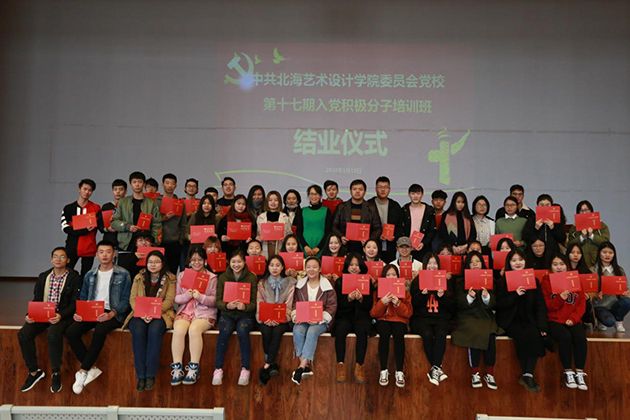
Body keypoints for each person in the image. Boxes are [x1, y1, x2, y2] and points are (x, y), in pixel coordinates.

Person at [65, 240, 131, 394]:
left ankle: (83, 371)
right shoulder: (90, 274)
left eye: (108, 252)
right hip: (91, 310)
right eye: (101, 252)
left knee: (100, 330)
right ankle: (91, 368)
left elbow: (126, 299)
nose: (105, 255)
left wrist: (112, 313)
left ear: (114, 254)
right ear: (96, 255)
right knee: (71, 331)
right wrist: (80, 313)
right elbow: (83, 297)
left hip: (113, 312)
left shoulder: (123, 273)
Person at [18, 247, 81, 393]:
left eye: (62, 257)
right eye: (55, 256)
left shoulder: (74, 277)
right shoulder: (43, 276)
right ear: (51, 259)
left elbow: (75, 303)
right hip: (43, 314)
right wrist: (29, 314)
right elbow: (37, 298)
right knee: (23, 334)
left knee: (53, 333)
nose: (58, 259)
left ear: (68, 260)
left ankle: (56, 373)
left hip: (62, 316)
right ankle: (34, 372)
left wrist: (61, 315)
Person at [495, 249, 548, 392]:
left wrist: (542, 325)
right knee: (523, 334)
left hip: (529, 319)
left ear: (525, 261)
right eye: (514, 260)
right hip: (510, 319)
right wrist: (515, 295)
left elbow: (540, 305)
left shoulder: (534, 281)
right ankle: (527, 375)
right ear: (509, 263)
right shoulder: (502, 282)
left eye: (520, 260)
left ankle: (527, 374)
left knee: (535, 334)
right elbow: (499, 305)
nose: (517, 263)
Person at [122, 250, 176, 391]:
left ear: (162, 263)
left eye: (157, 262)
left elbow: (169, 300)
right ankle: (141, 376)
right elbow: (132, 299)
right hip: (139, 314)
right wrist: (142, 312)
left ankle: (150, 374)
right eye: (150, 262)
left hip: (161, 314)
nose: (153, 265)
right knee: (138, 331)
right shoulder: (139, 277)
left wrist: (153, 312)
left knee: (154, 331)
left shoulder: (170, 278)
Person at [451, 251, 501, 390]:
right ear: (467, 265)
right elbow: (458, 303)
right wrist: (470, 297)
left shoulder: (489, 279)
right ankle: (475, 372)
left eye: (477, 261)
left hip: (485, 316)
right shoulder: (460, 281)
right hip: (467, 316)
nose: (475, 264)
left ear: (482, 264)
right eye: (471, 262)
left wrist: (486, 297)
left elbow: (494, 303)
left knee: (490, 334)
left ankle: (490, 372)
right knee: (474, 331)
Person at [170, 246, 217, 386]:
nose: (197, 262)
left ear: (205, 261)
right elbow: (176, 298)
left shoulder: (212, 277)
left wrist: (200, 297)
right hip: (185, 311)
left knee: (194, 330)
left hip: (204, 312)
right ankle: (177, 368)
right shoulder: (182, 275)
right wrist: (187, 295)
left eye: (200, 259)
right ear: (189, 261)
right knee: (178, 330)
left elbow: (215, 301)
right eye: (194, 260)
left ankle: (193, 368)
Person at [541, 254, 589, 390]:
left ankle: (579, 372)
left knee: (580, 337)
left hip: (572, 319)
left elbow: (581, 304)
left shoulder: (575, 279)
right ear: (550, 267)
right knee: (565, 337)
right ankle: (568, 372)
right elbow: (547, 306)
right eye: (555, 264)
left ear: (567, 265)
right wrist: (560, 298)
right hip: (554, 320)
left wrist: (573, 319)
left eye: (562, 264)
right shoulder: (546, 281)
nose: (559, 267)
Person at [213, 250, 258, 386]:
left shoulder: (251, 277)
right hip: (227, 314)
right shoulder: (222, 277)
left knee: (242, 331)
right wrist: (227, 305)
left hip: (245, 315)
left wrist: (245, 307)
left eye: (239, 261)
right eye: (233, 262)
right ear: (229, 262)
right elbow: (218, 301)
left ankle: (245, 369)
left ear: (244, 262)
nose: (236, 264)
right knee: (224, 331)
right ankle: (218, 368)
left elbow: (254, 303)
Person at [290, 257, 337, 385]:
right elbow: (294, 304)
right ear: (305, 269)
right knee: (297, 330)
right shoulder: (299, 285)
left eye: (315, 267)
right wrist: (296, 316)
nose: (311, 269)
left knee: (312, 331)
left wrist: (319, 319)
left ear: (320, 269)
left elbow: (332, 307)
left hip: (321, 321)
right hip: (304, 319)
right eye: (309, 267)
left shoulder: (327, 286)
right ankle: (305, 366)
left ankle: (301, 366)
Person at [409, 253, 455, 386]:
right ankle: (437, 368)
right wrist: (422, 295)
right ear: (425, 265)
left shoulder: (445, 280)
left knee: (441, 334)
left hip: (441, 318)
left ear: (438, 265)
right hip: (422, 318)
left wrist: (442, 296)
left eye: (435, 263)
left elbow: (452, 306)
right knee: (427, 334)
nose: (432, 266)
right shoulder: (417, 281)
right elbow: (413, 305)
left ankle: (434, 369)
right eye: (429, 263)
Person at [256, 255, 296, 385]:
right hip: (266, 319)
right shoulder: (262, 283)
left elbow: (289, 305)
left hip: (282, 319)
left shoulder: (290, 283)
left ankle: (267, 364)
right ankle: (271, 365)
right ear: (268, 267)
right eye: (272, 265)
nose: (275, 268)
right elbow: (260, 303)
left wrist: (280, 318)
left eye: (278, 265)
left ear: (282, 267)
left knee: (278, 332)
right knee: (266, 331)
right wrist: (265, 318)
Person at [334, 253, 373, 383]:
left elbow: (369, 305)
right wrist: (348, 298)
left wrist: (361, 299)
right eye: (351, 265)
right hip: (345, 315)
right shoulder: (340, 281)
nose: (354, 267)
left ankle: (359, 365)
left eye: (357, 265)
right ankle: (340, 365)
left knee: (362, 331)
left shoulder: (367, 281)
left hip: (361, 316)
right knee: (340, 330)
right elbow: (337, 305)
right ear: (347, 266)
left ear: (361, 266)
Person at [371, 264, 412, 388]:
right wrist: (382, 302)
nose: (391, 277)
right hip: (383, 320)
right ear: (383, 277)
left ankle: (399, 371)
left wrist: (398, 303)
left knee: (399, 335)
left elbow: (408, 313)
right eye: (388, 275)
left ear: (398, 277)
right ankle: (383, 370)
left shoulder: (405, 292)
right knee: (384, 334)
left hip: (399, 320)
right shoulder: (377, 292)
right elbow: (373, 313)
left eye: (394, 275)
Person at [111, 171, 161, 254]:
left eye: (140, 182)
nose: (137, 185)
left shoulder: (151, 203)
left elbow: (157, 224)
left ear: (144, 184)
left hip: (145, 243)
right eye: (134, 182)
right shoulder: (123, 202)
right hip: (126, 242)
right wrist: (128, 227)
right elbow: (114, 222)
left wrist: (154, 241)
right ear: (130, 184)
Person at [60, 178, 101, 277]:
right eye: (85, 189)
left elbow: (98, 225)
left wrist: (75, 227)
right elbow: (65, 228)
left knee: (86, 275)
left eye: (90, 190)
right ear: (79, 189)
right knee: (67, 273)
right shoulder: (68, 208)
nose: (87, 192)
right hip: (72, 246)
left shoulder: (96, 208)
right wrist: (85, 230)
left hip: (89, 247)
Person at [332, 179, 382, 254]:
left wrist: (369, 240)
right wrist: (341, 236)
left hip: (364, 248)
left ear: (365, 192)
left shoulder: (371, 208)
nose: (357, 191)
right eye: (354, 189)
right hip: (345, 247)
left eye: (360, 189)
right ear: (350, 191)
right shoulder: (342, 207)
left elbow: (378, 228)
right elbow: (334, 226)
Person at [590, 241, 629, 332]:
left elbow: (627, 287)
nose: (607, 255)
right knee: (609, 322)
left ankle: (619, 321)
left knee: (627, 302)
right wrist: (596, 294)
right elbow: (589, 291)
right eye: (604, 252)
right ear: (599, 253)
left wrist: (627, 292)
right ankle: (601, 320)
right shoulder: (592, 270)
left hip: (614, 304)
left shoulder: (619, 270)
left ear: (614, 255)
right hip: (600, 305)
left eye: (610, 252)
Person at [368, 176, 403, 263]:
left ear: (389, 189)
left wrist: (395, 236)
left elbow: (400, 226)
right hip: (372, 247)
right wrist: (376, 235)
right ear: (376, 189)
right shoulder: (368, 204)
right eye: (380, 187)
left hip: (390, 246)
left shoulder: (395, 206)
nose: (383, 190)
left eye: (386, 187)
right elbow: (364, 226)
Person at [567, 200, 610, 268]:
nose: (584, 213)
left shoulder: (601, 225)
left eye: (586, 210)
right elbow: (570, 245)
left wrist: (592, 236)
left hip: (598, 262)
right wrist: (582, 237)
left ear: (591, 211)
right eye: (581, 211)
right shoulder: (574, 228)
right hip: (581, 263)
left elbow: (606, 243)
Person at [398, 184, 436, 262]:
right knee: (406, 268)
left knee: (423, 267)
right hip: (407, 247)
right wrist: (406, 243)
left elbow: (432, 230)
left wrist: (423, 243)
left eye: (418, 193)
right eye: (413, 193)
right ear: (409, 194)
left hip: (424, 247)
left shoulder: (429, 210)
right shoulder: (404, 209)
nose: (415, 196)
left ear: (422, 194)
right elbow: (400, 228)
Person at [157, 173, 186, 273]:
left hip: (175, 243)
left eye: (172, 183)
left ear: (175, 185)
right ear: (162, 184)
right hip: (159, 242)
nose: (169, 186)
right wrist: (164, 218)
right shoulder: (156, 202)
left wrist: (180, 240)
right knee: (159, 271)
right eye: (167, 183)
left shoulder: (180, 203)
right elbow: (152, 221)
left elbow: (183, 224)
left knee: (172, 271)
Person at [294, 184, 332, 258]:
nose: (314, 196)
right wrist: (305, 246)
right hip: (304, 247)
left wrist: (319, 247)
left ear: (320, 196)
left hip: (322, 247)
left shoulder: (326, 211)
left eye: (316, 194)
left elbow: (328, 232)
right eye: (311, 194)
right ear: (308, 196)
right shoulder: (302, 211)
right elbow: (299, 231)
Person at [256, 191, 292, 258]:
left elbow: (289, 234)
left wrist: (284, 237)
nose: (273, 202)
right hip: (265, 247)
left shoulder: (285, 217)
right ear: (267, 202)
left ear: (279, 202)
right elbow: (258, 234)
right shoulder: (261, 217)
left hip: (280, 246)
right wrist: (259, 238)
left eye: (276, 200)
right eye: (270, 200)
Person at [97, 179, 127, 249]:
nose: (118, 192)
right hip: (109, 240)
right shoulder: (106, 206)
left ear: (125, 191)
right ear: (112, 191)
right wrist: (107, 229)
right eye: (115, 189)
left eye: (121, 189)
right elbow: (100, 224)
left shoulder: (129, 206)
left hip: (125, 241)